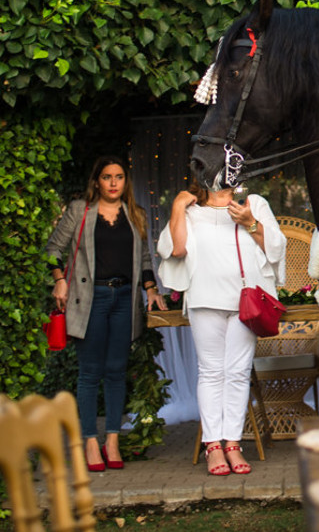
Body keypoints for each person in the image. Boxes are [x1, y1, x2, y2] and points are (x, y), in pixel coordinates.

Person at [45, 155, 168, 471]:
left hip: (125, 298)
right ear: (96, 181)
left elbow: (143, 259)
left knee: (116, 370)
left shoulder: (134, 214)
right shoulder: (79, 212)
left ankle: (112, 440)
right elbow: (53, 249)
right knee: (90, 372)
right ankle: (89, 442)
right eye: (107, 177)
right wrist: (59, 281)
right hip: (91, 298)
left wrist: (151, 289)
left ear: (125, 181)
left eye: (119, 177)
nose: (113, 183)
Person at [157, 184, 285, 476]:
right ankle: (212, 446)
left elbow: (275, 249)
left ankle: (233, 444)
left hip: (246, 300)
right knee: (212, 371)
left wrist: (249, 222)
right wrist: (177, 204)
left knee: (238, 372)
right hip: (204, 298)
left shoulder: (252, 202)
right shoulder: (191, 209)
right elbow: (176, 250)